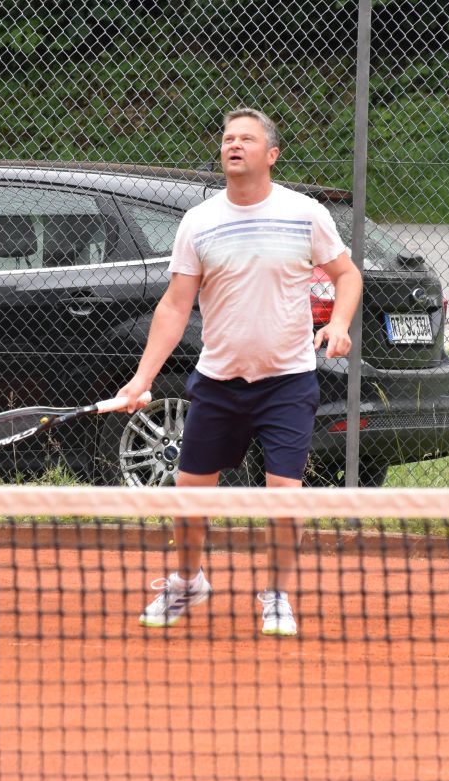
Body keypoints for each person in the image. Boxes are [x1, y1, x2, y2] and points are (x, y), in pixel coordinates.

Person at [114, 108, 362, 637]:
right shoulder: (199, 222)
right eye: (228, 138)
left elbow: (347, 275)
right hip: (218, 381)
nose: (234, 145)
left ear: (271, 155)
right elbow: (175, 305)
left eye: (247, 138)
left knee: (284, 494)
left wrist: (339, 323)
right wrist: (142, 379)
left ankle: (276, 593)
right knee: (190, 493)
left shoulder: (305, 213)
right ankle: (188, 581)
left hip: (288, 381)